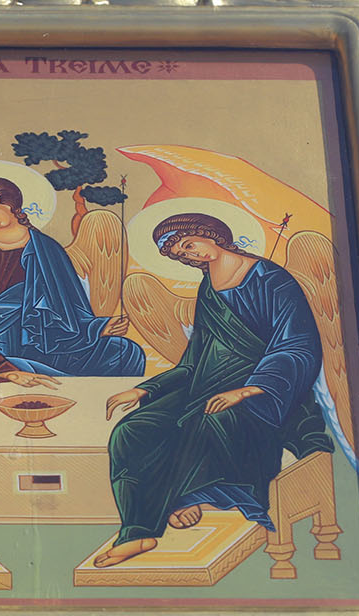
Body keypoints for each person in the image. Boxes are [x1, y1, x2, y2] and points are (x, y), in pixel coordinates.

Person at [95, 212, 329, 567]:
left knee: (209, 421)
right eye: (181, 254)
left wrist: (249, 390)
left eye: (189, 245)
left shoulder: (270, 279)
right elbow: (195, 357)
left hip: (266, 387)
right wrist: (146, 390)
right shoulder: (208, 287)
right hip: (204, 382)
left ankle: (189, 498)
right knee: (132, 430)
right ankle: (138, 531)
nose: (189, 256)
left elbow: (297, 343)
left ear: (211, 235)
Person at [0, 175, 145, 386]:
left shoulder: (47, 247)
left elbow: (69, 308)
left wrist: (97, 328)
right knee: (25, 369)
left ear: (6, 202)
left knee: (124, 353)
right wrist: (2, 367)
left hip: (50, 343)